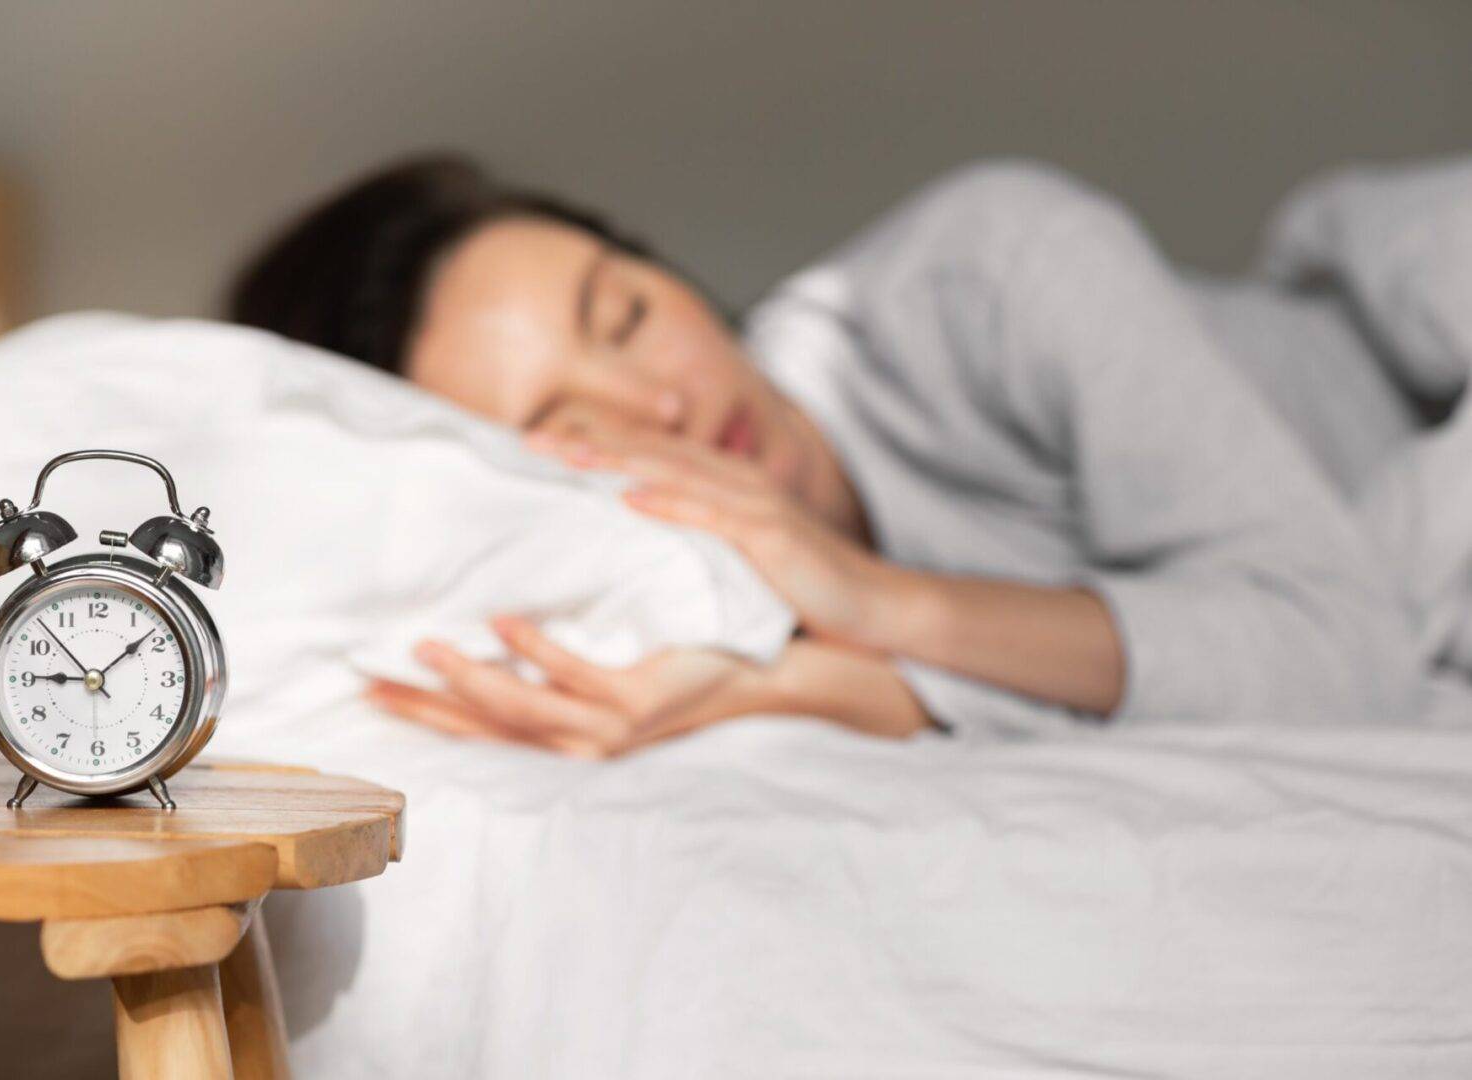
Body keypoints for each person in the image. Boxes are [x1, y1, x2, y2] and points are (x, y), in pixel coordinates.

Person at [226, 155, 1418, 754]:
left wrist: (888, 609)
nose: (660, 404)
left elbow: (1351, 659)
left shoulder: (996, 265)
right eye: (576, 428)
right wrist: (811, 683)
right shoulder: (641, 602)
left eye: (628, 313)